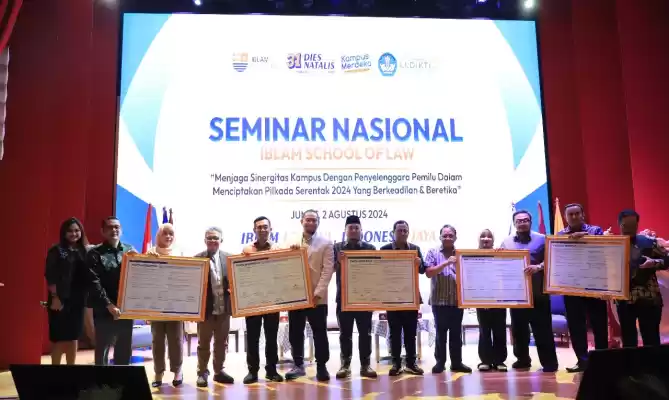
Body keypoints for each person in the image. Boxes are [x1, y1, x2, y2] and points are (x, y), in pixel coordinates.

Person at [500, 210, 558, 372]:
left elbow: (553, 258)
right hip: (517, 295)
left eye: (525, 220)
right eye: (519, 221)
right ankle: (522, 360)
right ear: (514, 224)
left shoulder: (542, 239)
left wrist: (538, 267)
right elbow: (500, 264)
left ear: (530, 222)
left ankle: (549, 363)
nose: (522, 223)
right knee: (519, 331)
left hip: (538, 294)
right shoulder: (506, 242)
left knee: (543, 330)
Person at [557, 203, 608, 373]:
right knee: (576, 326)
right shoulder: (560, 235)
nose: (574, 217)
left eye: (577, 213)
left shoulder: (595, 231)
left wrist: (583, 238)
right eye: (570, 214)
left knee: (599, 324)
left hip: (594, 285)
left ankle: (602, 361)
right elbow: (557, 257)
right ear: (566, 217)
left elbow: (603, 249)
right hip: (572, 287)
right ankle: (582, 361)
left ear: (582, 214)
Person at [284, 210, 334, 382]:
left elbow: (327, 270)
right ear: (302, 221)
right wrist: (289, 252)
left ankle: (322, 366)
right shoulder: (289, 242)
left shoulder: (326, 243)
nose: (311, 223)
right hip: (296, 296)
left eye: (314, 220)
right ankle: (298, 365)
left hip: (317, 298)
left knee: (320, 333)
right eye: (308, 220)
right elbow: (281, 264)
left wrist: (318, 293)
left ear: (318, 222)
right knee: (295, 332)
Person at [86, 216, 137, 366]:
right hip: (104, 309)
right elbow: (94, 282)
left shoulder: (130, 250)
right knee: (103, 348)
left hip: (125, 309)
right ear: (103, 231)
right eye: (110, 227)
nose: (114, 230)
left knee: (124, 349)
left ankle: (121, 379)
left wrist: (146, 259)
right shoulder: (95, 253)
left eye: (117, 227)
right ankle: (102, 380)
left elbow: (139, 276)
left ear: (121, 230)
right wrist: (109, 305)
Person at [615, 209, 669, 347]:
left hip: (649, 299)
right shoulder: (612, 245)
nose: (629, 229)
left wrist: (655, 262)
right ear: (619, 224)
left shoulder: (649, 243)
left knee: (651, 341)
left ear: (637, 225)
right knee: (629, 343)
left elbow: (667, 259)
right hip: (624, 300)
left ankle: (653, 362)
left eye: (632, 226)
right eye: (625, 225)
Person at [334, 215, 378, 379]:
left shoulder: (370, 248)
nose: (353, 230)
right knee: (345, 334)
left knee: (365, 334)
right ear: (345, 231)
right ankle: (345, 365)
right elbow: (330, 269)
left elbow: (375, 272)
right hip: (344, 299)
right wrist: (338, 262)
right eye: (350, 228)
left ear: (361, 230)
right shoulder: (337, 248)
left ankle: (365, 365)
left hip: (364, 299)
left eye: (356, 228)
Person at [379, 220, 425, 376]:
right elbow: (379, 271)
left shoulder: (415, 249)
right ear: (393, 232)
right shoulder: (385, 249)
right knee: (395, 333)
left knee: (411, 332)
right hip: (392, 297)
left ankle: (411, 364)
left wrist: (419, 263)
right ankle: (396, 364)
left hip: (410, 297)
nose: (403, 233)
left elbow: (423, 270)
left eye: (405, 230)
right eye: (400, 230)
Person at [424, 224, 472, 374]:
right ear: (440, 237)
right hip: (439, 301)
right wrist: (447, 262)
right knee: (441, 334)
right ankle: (440, 363)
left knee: (456, 334)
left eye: (451, 235)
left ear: (455, 237)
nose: (448, 238)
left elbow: (468, 275)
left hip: (457, 301)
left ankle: (457, 363)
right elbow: (429, 273)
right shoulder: (433, 252)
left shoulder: (461, 254)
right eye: (445, 235)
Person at [241, 216, 284, 384]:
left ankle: (271, 370)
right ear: (254, 230)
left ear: (270, 229)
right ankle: (252, 372)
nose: (262, 230)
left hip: (272, 300)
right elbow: (241, 274)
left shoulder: (278, 249)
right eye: (259, 227)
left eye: (265, 227)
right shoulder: (247, 250)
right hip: (252, 301)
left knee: (271, 337)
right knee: (252, 337)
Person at [44, 217, 90, 365]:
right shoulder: (56, 250)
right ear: (64, 233)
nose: (74, 233)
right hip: (60, 299)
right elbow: (50, 276)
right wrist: (55, 297)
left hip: (78, 300)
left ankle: (71, 370)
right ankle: (55, 372)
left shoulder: (85, 250)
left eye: (77, 230)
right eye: (70, 231)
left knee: (73, 336)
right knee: (59, 337)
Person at [195, 226, 235, 387]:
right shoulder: (197, 259)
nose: (212, 240)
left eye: (215, 238)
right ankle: (202, 372)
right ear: (205, 240)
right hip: (206, 311)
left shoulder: (230, 258)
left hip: (224, 310)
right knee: (203, 343)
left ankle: (218, 371)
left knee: (221, 343)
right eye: (209, 238)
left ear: (221, 240)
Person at [145, 223, 184, 387]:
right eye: (165, 233)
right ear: (158, 235)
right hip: (156, 306)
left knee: (176, 341)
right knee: (157, 341)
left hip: (175, 305)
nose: (168, 237)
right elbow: (144, 281)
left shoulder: (180, 254)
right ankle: (158, 373)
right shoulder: (150, 253)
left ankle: (177, 371)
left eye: (171, 234)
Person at [475, 229, 508, 372]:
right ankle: (486, 360)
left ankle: (500, 361)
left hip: (499, 298)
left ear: (493, 240)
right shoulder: (472, 257)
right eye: (483, 236)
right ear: (479, 240)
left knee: (500, 330)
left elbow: (507, 272)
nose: (486, 239)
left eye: (489, 237)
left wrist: (504, 255)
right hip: (481, 299)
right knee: (484, 330)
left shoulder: (500, 254)